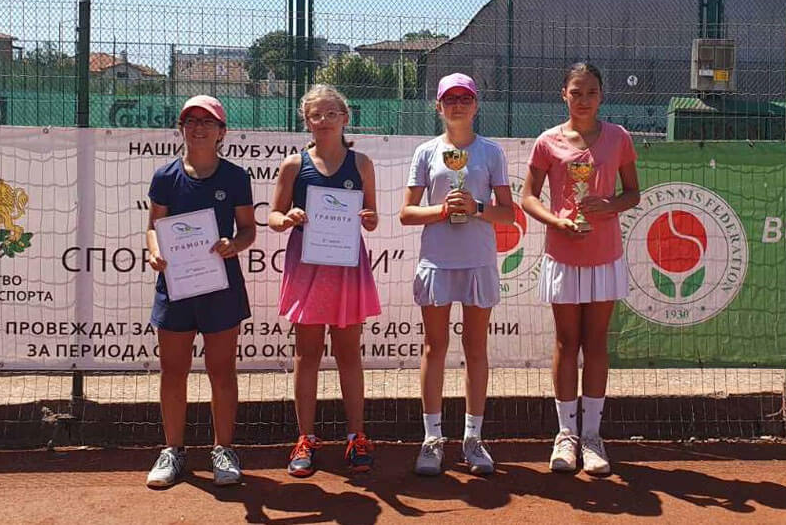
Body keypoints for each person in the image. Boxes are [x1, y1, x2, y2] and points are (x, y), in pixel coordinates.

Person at [521, 62, 640, 475]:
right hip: (563, 254)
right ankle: (566, 435)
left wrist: (609, 205)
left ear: (601, 95)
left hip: (605, 255)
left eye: (591, 92)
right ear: (564, 95)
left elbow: (633, 194)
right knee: (565, 342)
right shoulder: (547, 141)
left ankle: (592, 436)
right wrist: (556, 220)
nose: (583, 99)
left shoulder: (619, 138)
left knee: (596, 343)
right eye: (576, 92)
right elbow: (528, 197)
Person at [399, 73, 514, 476]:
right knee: (435, 348)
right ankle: (432, 438)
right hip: (437, 262)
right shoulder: (425, 152)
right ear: (439, 106)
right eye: (451, 99)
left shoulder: (491, 152)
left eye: (465, 98)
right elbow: (407, 213)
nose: (458, 105)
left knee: (476, 349)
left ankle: (473, 438)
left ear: (476, 105)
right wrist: (443, 210)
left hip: (478, 262)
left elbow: (508, 213)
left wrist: (476, 207)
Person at [269, 84, 382, 477]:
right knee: (308, 354)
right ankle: (305, 438)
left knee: (349, 354)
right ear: (307, 121)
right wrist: (287, 219)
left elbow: (372, 216)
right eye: (315, 114)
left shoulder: (361, 163)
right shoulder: (293, 165)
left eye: (331, 113)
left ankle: (356, 437)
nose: (323, 120)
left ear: (345, 118)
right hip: (307, 266)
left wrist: (369, 218)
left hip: (347, 266)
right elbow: (273, 216)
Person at [144, 95, 256, 488]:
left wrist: (233, 245)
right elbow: (153, 227)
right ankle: (172, 451)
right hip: (175, 287)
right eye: (190, 121)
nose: (198, 127)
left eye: (207, 121)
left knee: (221, 371)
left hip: (220, 288)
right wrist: (155, 252)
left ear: (222, 132)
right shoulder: (165, 177)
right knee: (173, 372)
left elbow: (248, 230)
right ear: (181, 129)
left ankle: (223, 450)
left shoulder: (237, 178)